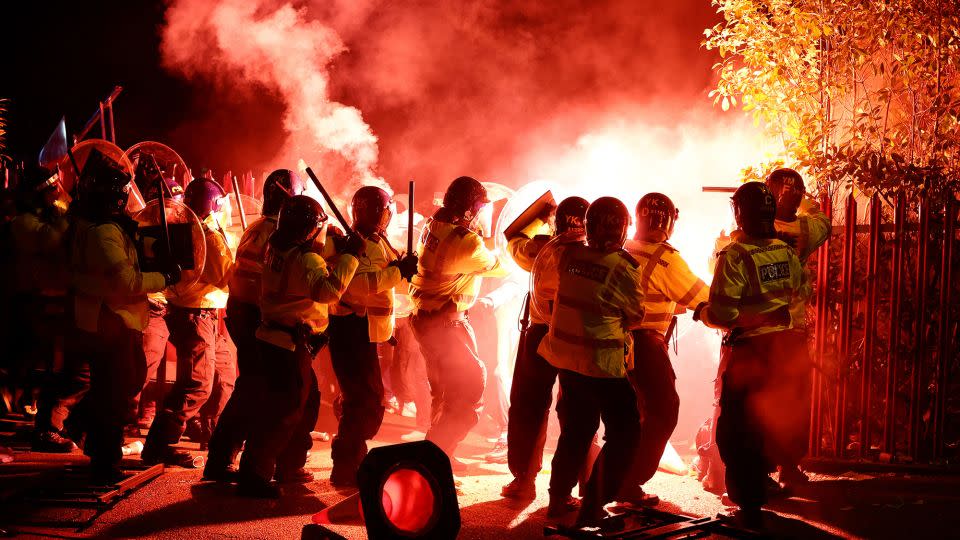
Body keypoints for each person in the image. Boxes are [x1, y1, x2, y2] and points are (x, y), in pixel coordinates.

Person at [693, 181, 806, 527]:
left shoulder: (736, 256)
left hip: (750, 350)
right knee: (768, 419)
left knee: (738, 428)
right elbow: (796, 291)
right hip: (784, 348)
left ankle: (749, 503)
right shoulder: (785, 251)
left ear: (739, 214)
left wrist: (702, 312)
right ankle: (767, 481)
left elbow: (724, 314)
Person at [67, 150, 180, 483]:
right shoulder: (102, 233)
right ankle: (105, 463)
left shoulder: (107, 227)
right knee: (114, 399)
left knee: (125, 384)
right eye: (119, 195)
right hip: (109, 321)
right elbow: (126, 282)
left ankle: (79, 425)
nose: (124, 201)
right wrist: (166, 279)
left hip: (116, 321)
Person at [237, 195, 360, 497]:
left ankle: (288, 465)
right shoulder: (306, 259)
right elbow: (327, 291)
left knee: (305, 404)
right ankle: (255, 476)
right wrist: (350, 257)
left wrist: (334, 247)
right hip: (289, 346)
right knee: (283, 413)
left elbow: (308, 261)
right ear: (307, 229)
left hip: (277, 340)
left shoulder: (276, 248)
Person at [537, 197, 646, 525]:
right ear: (623, 229)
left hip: (568, 361)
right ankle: (594, 505)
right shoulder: (623, 268)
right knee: (625, 434)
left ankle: (558, 498)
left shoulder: (569, 257)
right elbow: (637, 316)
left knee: (577, 430)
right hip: (603, 365)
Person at [204, 169, 303, 481]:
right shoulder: (278, 233)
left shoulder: (258, 227)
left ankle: (225, 457)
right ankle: (227, 459)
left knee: (254, 385)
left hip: (241, 311)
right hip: (255, 315)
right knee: (256, 387)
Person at [408, 176, 509, 470]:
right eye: (478, 208)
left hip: (428, 321)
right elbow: (499, 265)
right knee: (469, 386)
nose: (480, 214)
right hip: (446, 325)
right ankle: (434, 456)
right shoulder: (466, 243)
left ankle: (441, 453)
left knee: (444, 391)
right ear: (467, 210)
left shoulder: (433, 227)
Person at [620, 193, 709, 505]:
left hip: (613, 342)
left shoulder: (623, 248)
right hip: (644, 345)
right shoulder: (666, 259)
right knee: (662, 411)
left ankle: (614, 478)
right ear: (670, 222)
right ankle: (628, 481)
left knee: (631, 416)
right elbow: (703, 297)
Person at [327, 186, 418, 487]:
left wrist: (386, 328)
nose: (390, 216)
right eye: (386, 211)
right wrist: (398, 272)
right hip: (352, 329)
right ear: (379, 213)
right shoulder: (358, 243)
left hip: (363, 330)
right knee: (366, 401)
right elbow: (358, 287)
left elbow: (383, 288)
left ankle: (352, 459)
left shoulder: (375, 241)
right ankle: (345, 465)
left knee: (362, 398)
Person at [142, 178, 235, 467]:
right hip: (198, 314)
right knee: (196, 384)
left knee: (224, 375)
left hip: (198, 312)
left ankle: (217, 436)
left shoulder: (179, 227)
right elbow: (224, 275)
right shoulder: (206, 233)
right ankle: (159, 444)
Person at [501, 196, 589, 500]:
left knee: (528, 405)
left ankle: (524, 480)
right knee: (578, 410)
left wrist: (540, 212)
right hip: (577, 337)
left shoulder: (540, 250)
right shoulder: (597, 256)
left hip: (539, 334)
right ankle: (580, 484)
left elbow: (513, 237)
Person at [10, 166, 83, 452]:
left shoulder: (49, 217)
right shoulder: (22, 223)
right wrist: (69, 215)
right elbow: (54, 241)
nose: (56, 194)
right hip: (36, 304)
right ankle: (45, 430)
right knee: (52, 369)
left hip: (58, 302)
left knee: (62, 369)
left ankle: (54, 425)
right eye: (50, 190)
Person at [765, 168, 830, 489]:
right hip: (792, 330)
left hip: (758, 332)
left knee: (755, 401)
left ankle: (755, 472)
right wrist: (806, 202)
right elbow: (822, 219)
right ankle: (789, 467)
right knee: (792, 402)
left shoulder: (750, 228)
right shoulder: (806, 228)